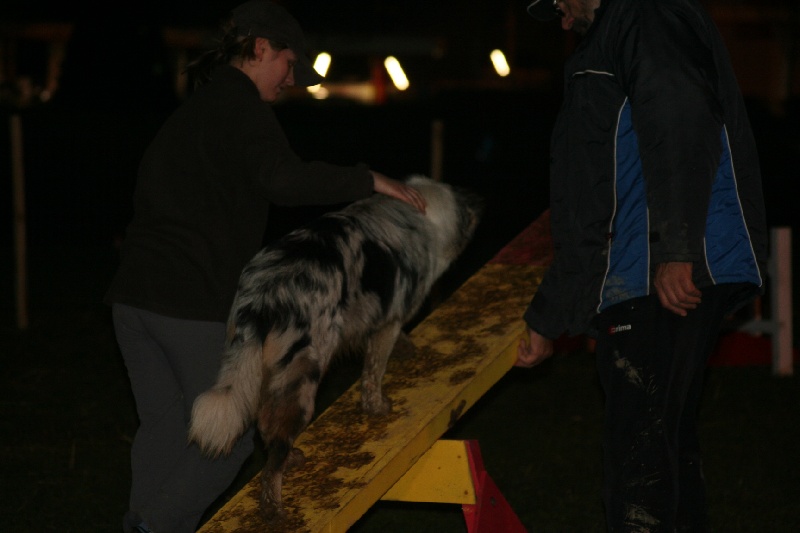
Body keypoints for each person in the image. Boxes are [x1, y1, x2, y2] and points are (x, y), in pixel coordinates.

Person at [104, 2, 425, 532]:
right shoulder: (242, 109)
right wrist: (366, 179)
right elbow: (283, 179)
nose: (293, 80)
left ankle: (145, 521)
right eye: (288, 64)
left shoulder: (195, 110)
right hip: (189, 303)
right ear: (259, 49)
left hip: (133, 302)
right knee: (226, 441)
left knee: (164, 428)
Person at [517, 1, 767, 531]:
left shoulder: (645, 15)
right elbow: (587, 201)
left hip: (658, 268)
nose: (560, 18)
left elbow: (680, 121)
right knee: (663, 439)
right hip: (638, 268)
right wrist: (548, 317)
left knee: (640, 450)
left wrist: (678, 252)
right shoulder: (619, 33)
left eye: (556, 2)